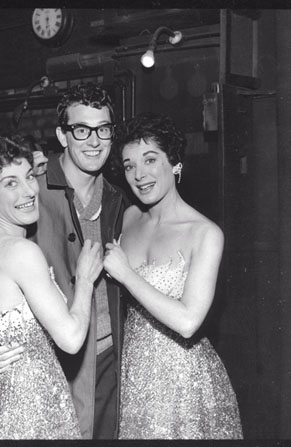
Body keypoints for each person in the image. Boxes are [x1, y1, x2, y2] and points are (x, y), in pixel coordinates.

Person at [0, 83, 127, 439]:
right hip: (47, 379)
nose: (94, 141)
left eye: (103, 130)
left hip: (109, 364)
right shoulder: (29, 199)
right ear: (62, 135)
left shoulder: (123, 199)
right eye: (81, 130)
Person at [103, 114, 243, 439]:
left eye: (150, 160)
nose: (139, 175)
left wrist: (126, 274)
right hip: (134, 374)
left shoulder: (205, 233)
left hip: (183, 379)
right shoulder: (129, 217)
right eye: (128, 165)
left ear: (175, 163)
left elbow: (188, 321)